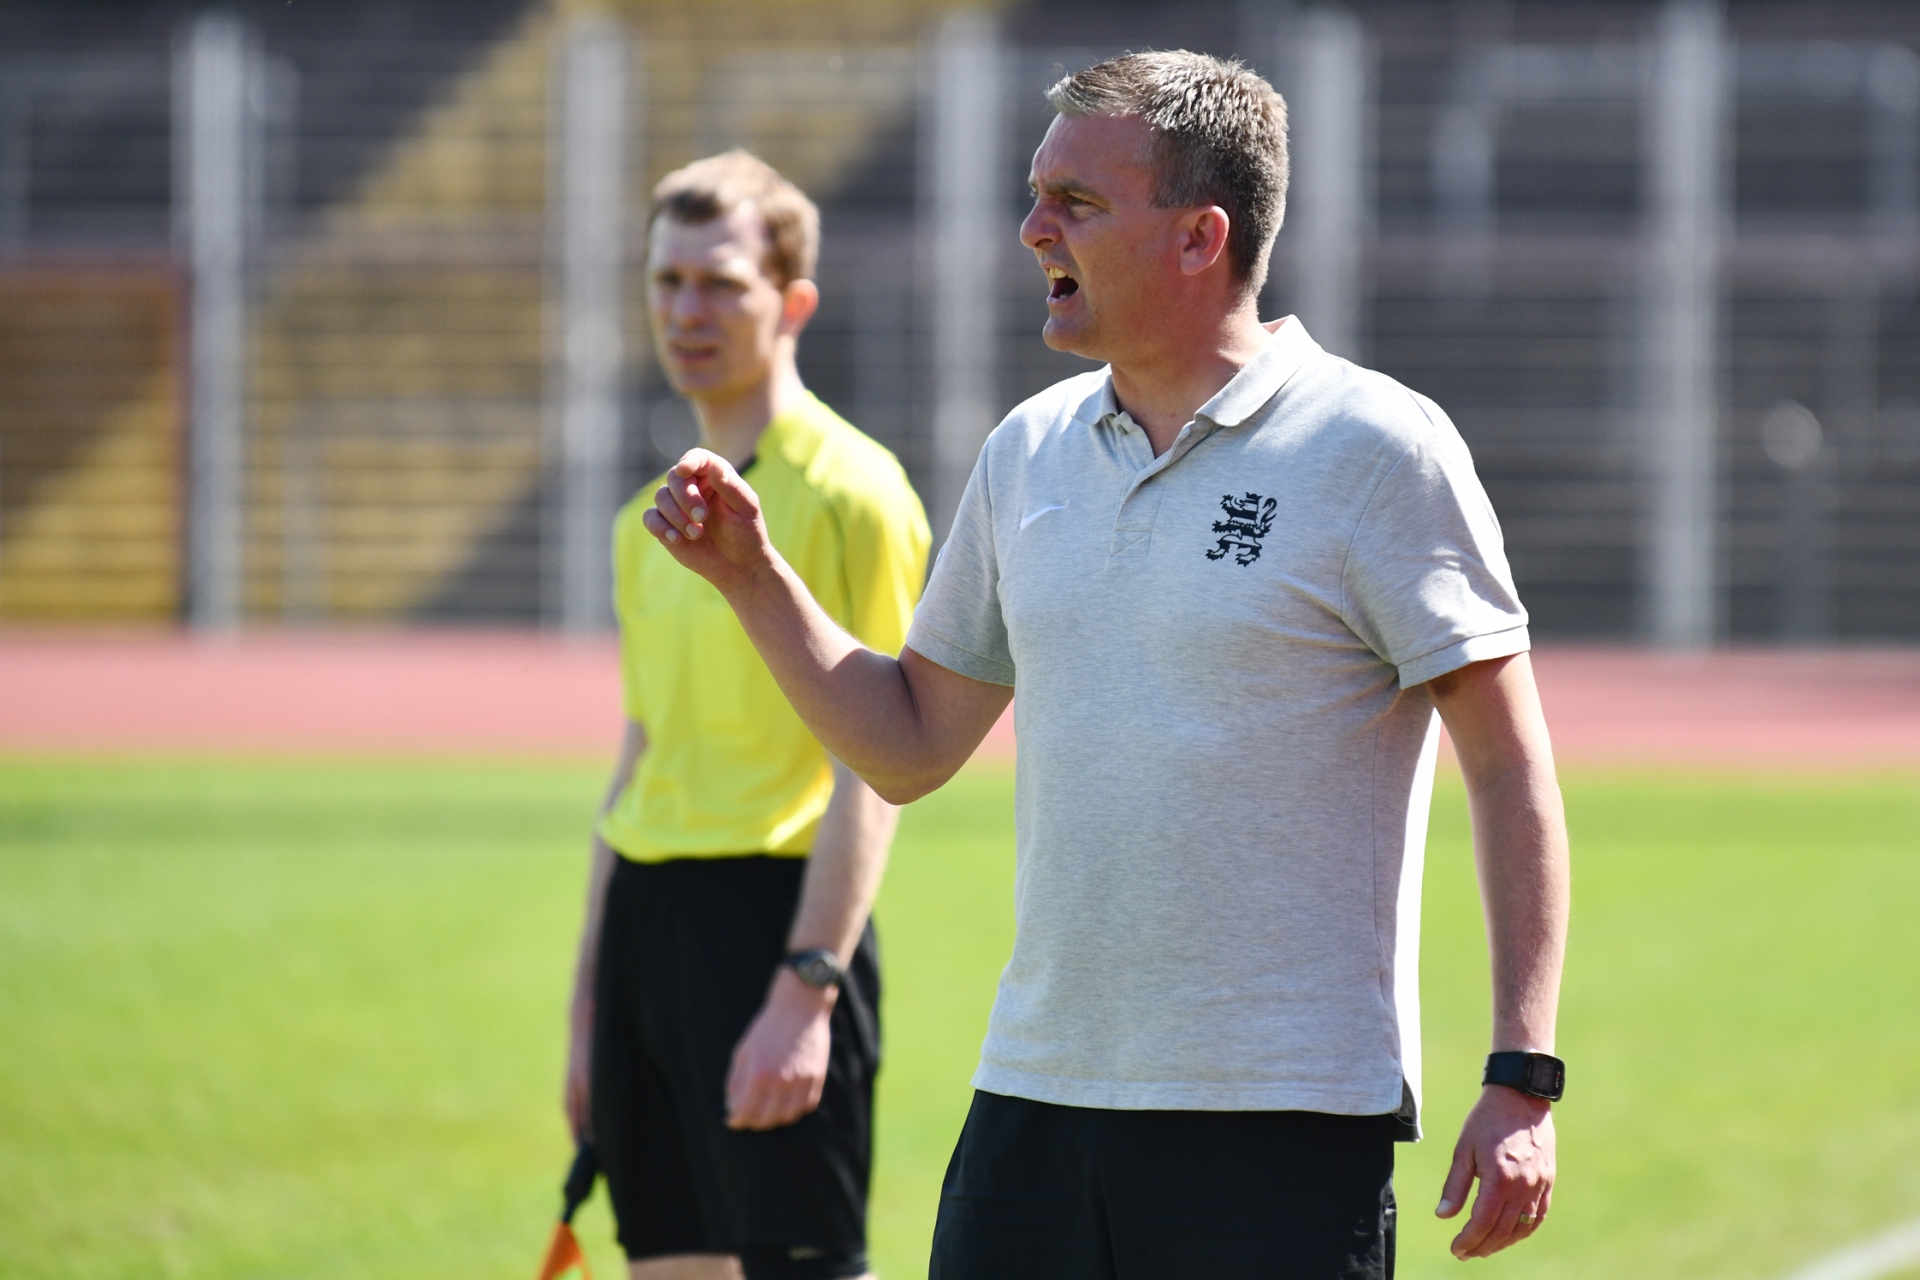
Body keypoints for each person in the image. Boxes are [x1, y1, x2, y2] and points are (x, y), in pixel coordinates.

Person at [640, 53, 1569, 1280]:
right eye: (1036, 196)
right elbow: (907, 744)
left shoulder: (1377, 446)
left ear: (1198, 238)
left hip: (1281, 1115)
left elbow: (1507, 764)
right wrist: (755, 581)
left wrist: (1522, 1074)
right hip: (1034, 1098)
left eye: (1075, 202)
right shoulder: (1027, 450)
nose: (1033, 229)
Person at [564, 150, 930, 1280]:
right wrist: (591, 1003)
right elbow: (640, 754)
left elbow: (879, 761)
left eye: (721, 283)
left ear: (793, 302)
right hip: (647, 927)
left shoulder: (857, 492)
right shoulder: (645, 522)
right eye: (668, 281)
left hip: (775, 924)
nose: (689, 310)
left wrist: (805, 990)